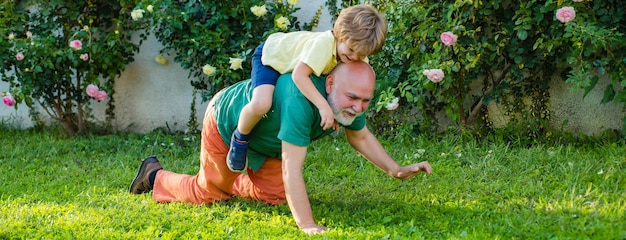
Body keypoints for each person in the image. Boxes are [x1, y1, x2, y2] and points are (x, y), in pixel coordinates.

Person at [129, 61, 433, 234]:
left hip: (269, 141)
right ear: (329, 84)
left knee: (275, 196)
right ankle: (154, 175)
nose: (358, 106)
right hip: (228, 123)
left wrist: (395, 169)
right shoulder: (301, 104)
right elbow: (292, 167)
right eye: (353, 97)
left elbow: (360, 136)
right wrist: (307, 224)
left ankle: (234, 177)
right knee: (209, 193)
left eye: (365, 100)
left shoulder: (347, 101)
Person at [227, 4, 388, 172]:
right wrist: (324, 107)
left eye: (361, 55)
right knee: (262, 103)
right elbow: (299, 76)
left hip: (293, 64)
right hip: (271, 57)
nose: (355, 57)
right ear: (341, 35)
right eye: (351, 49)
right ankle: (240, 138)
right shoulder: (323, 45)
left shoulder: (354, 58)